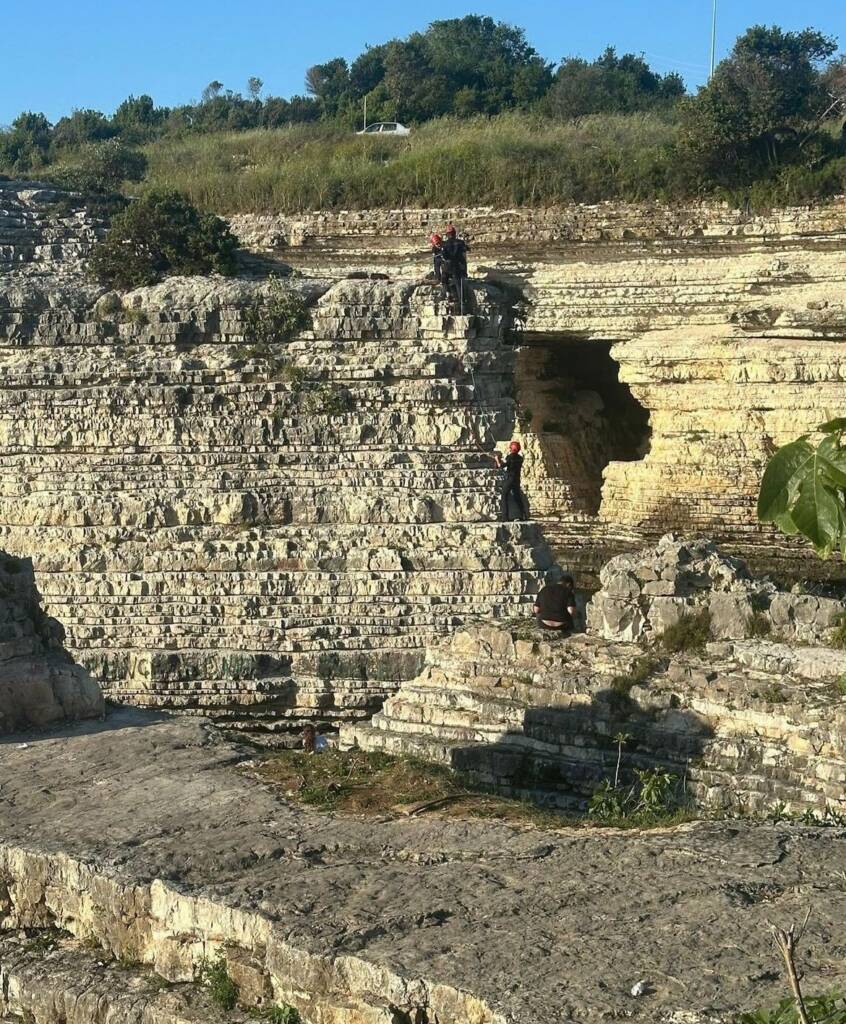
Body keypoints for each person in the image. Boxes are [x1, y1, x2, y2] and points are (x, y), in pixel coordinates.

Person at [494, 440, 529, 521]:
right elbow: (510, 464)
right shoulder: (520, 458)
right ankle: (523, 515)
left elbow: (501, 466)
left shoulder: (510, 457)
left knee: (504, 496)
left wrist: (497, 459)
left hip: (510, 479)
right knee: (517, 497)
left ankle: (505, 517)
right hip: (517, 480)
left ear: (511, 448)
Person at [439, 224, 469, 309]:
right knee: (458, 284)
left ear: (447, 234)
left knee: (444, 281)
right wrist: (464, 271)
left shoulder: (444, 244)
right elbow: (463, 257)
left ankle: (447, 295)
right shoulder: (460, 243)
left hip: (447, 267)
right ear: (455, 233)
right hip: (457, 267)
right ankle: (462, 303)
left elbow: (443, 257)